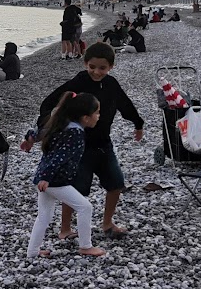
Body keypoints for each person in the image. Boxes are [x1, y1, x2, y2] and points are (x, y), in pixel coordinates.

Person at [35, 43, 145, 239]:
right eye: (92, 66)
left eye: (102, 68)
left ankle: (107, 223)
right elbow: (49, 101)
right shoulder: (79, 81)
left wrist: (138, 123)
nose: (96, 71)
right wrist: (44, 124)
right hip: (78, 147)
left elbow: (125, 104)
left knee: (116, 183)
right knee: (75, 188)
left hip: (104, 144)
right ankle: (65, 229)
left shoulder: (111, 84)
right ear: (86, 63)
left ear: (111, 67)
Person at [28, 93, 106, 258]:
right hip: (55, 181)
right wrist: (47, 178)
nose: (99, 116)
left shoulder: (61, 124)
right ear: (85, 118)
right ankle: (86, 246)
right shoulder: (75, 133)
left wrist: (28, 138)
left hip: (46, 178)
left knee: (44, 216)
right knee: (85, 207)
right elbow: (60, 156)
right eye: (97, 113)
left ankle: (33, 252)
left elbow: (38, 132)